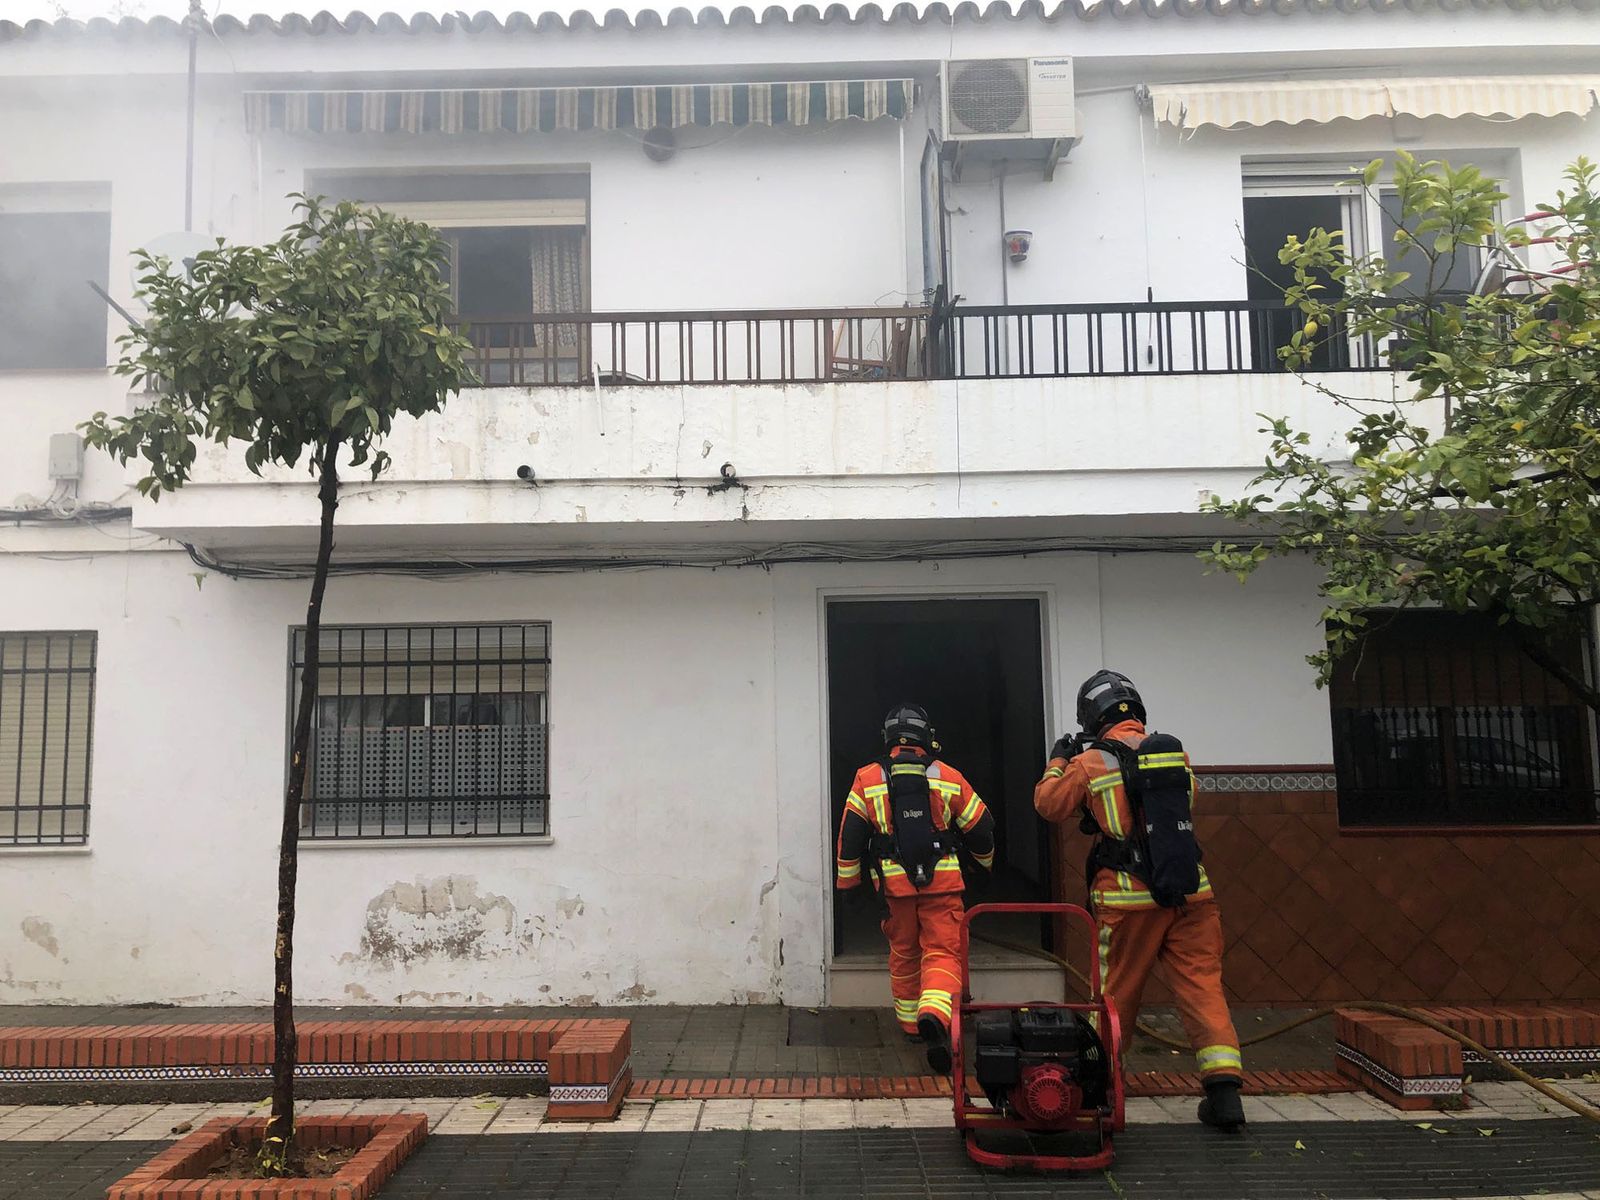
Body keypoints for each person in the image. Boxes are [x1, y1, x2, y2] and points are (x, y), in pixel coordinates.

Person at [1033, 670, 1246, 1131]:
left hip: (1129, 901)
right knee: (1202, 987)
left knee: (1116, 995)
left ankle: (1103, 1086)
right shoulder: (1176, 756)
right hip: (1192, 892)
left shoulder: (1091, 763)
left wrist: (1057, 762)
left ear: (1092, 716)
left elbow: (1049, 806)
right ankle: (1225, 1090)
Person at [835, 703, 996, 1074]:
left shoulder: (867, 777)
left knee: (904, 953)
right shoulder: (948, 775)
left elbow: (850, 838)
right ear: (927, 736)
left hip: (895, 889)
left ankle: (910, 1026)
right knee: (942, 952)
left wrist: (850, 888)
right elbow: (981, 827)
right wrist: (984, 866)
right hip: (943, 886)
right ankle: (935, 1014)